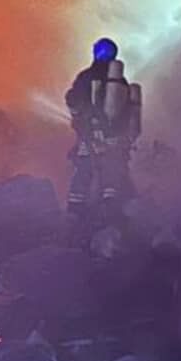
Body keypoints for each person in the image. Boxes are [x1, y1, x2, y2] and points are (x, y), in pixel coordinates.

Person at [64, 37, 141, 237]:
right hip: (115, 139)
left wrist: (80, 120)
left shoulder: (86, 77)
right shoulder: (121, 82)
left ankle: (75, 213)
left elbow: (72, 99)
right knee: (113, 175)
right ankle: (114, 212)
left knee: (83, 172)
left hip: (90, 137)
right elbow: (127, 112)